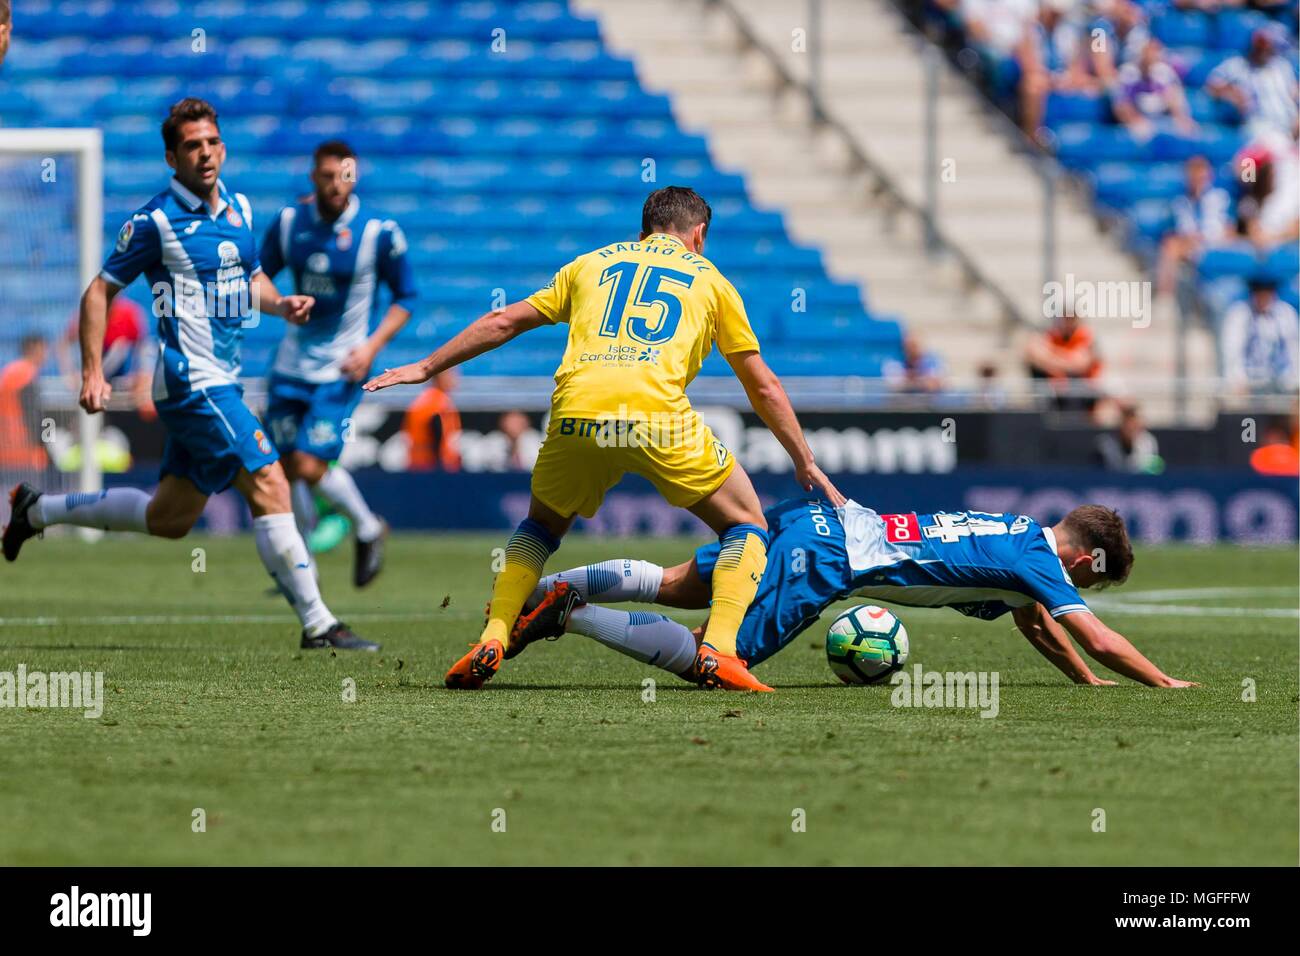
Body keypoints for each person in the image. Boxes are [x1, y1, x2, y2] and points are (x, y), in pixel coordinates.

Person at [366, 186, 843, 692]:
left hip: (577, 411)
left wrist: (425, 365)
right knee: (746, 523)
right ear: (698, 234)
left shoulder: (590, 264)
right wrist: (804, 460)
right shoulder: (711, 280)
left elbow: (504, 320)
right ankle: (719, 649)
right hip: (656, 415)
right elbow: (762, 383)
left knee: (541, 527)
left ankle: (496, 632)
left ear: (644, 230)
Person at [2, 98, 376, 651]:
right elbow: (99, 291)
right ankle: (319, 622)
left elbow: (252, 280)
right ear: (172, 158)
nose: (205, 154)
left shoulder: (241, 210)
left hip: (222, 378)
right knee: (269, 479)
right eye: (192, 146)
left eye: (212, 143)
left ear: (222, 148)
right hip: (191, 381)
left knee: (170, 516)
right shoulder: (155, 221)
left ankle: (37, 510)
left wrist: (282, 305)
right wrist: (91, 373)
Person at [513, 498, 1198, 690]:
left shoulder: (1015, 528)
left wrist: (1087, 685)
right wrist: (1161, 681)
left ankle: (540, 589)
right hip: (828, 560)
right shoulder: (1038, 563)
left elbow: (1038, 628)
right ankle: (572, 617)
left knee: (681, 585)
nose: (1078, 589)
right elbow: (1091, 633)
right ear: (1081, 559)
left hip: (814, 520)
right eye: (1089, 580)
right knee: (714, 661)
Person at [260, 140, 415, 587]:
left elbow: (406, 297)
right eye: (326, 176)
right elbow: (257, 277)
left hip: (340, 367)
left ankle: (367, 528)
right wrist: (280, 304)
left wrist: (370, 348)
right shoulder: (290, 223)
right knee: (288, 467)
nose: (335, 185)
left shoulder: (377, 232)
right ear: (313, 177)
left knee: (309, 465)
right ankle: (303, 562)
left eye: (343, 176)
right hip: (290, 366)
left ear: (355, 177)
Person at [1158, 155, 1233, 297]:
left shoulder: (1222, 198)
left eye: (1201, 175)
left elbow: (1231, 230)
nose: (1197, 180)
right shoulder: (1179, 203)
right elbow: (1171, 234)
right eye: (1193, 175)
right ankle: (1165, 298)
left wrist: (1209, 237)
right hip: (1189, 248)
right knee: (1171, 246)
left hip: (1217, 245)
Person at [1207, 25, 1299, 139]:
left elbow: (1295, 93)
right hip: (1259, 126)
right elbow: (1212, 84)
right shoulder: (1237, 65)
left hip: (1289, 125)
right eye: (1261, 45)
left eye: (1268, 46)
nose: (1264, 50)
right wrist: (1231, 93)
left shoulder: (1282, 66)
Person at [1220, 277, 1300, 393]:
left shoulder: (1286, 313)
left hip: (1281, 381)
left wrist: (1296, 381)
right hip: (1250, 381)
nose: (1263, 298)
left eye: (1267, 293)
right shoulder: (1240, 313)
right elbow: (1232, 350)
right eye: (1259, 293)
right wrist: (1237, 379)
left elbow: (1293, 349)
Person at [1110, 38, 1198, 141]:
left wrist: (1182, 119)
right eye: (1148, 51)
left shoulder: (1164, 71)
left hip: (1159, 119)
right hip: (1134, 121)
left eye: (1155, 52)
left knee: (1186, 131)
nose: (1152, 56)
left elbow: (1174, 100)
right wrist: (1135, 120)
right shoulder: (1127, 73)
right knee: (1142, 133)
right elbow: (1121, 106)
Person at [1024, 307, 1104, 412]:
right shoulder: (1053, 335)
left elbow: (1079, 364)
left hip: (1082, 392)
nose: (1067, 323)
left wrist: (1051, 356)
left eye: (1071, 319)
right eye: (1065, 318)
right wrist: (1063, 361)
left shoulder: (1085, 336)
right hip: (1057, 390)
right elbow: (1032, 352)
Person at [0, 334, 49, 474]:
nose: (46, 355)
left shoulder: (10, 370)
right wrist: (48, 444)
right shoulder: (27, 373)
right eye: (44, 349)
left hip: (6, 450)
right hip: (26, 454)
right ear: (33, 348)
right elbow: (37, 416)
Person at [402, 370, 461, 471]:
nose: (456, 379)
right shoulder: (437, 401)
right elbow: (436, 428)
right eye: (451, 375)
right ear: (439, 378)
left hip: (418, 463)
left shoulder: (424, 398)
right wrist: (439, 464)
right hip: (431, 465)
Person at [1094, 402, 1162, 473]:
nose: (1130, 429)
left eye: (1133, 425)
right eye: (1126, 424)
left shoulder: (1149, 441)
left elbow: (1151, 471)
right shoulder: (1105, 443)